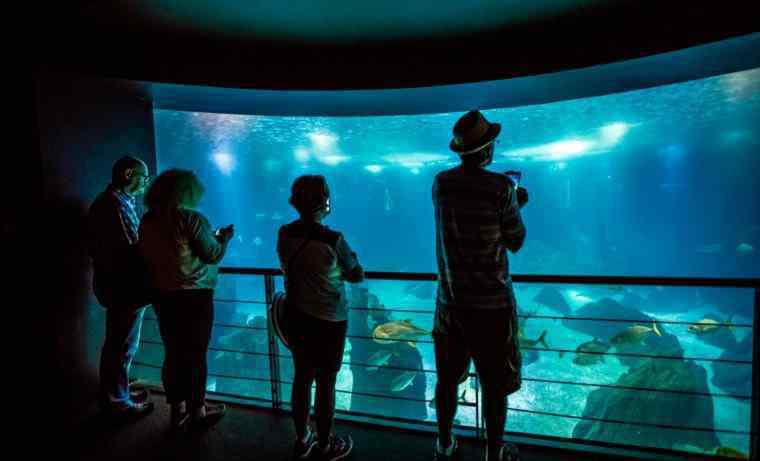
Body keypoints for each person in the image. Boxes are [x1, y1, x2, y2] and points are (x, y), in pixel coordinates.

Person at [432, 111, 528, 461]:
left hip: (450, 304)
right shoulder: (502, 189)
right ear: (487, 151)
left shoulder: (441, 183)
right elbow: (515, 241)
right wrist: (515, 203)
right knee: (494, 384)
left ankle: (444, 444)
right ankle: (493, 452)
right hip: (492, 307)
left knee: (447, 379)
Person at [138, 169, 234, 432]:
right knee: (195, 353)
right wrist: (223, 239)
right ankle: (198, 411)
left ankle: (177, 409)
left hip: (163, 295)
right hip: (194, 296)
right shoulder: (190, 217)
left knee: (173, 352)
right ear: (185, 192)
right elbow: (212, 254)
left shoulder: (148, 220)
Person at [277, 175, 364, 460]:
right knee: (326, 382)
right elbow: (356, 275)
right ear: (324, 200)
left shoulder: (285, 233)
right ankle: (326, 444)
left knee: (302, 378)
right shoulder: (333, 239)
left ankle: (302, 438)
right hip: (329, 320)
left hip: (296, 315)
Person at [87, 155, 154, 418]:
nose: (145, 183)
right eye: (143, 177)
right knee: (121, 345)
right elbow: (132, 248)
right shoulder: (113, 204)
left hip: (118, 286)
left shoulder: (116, 202)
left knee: (120, 343)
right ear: (128, 174)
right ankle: (117, 401)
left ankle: (118, 391)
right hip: (124, 287)